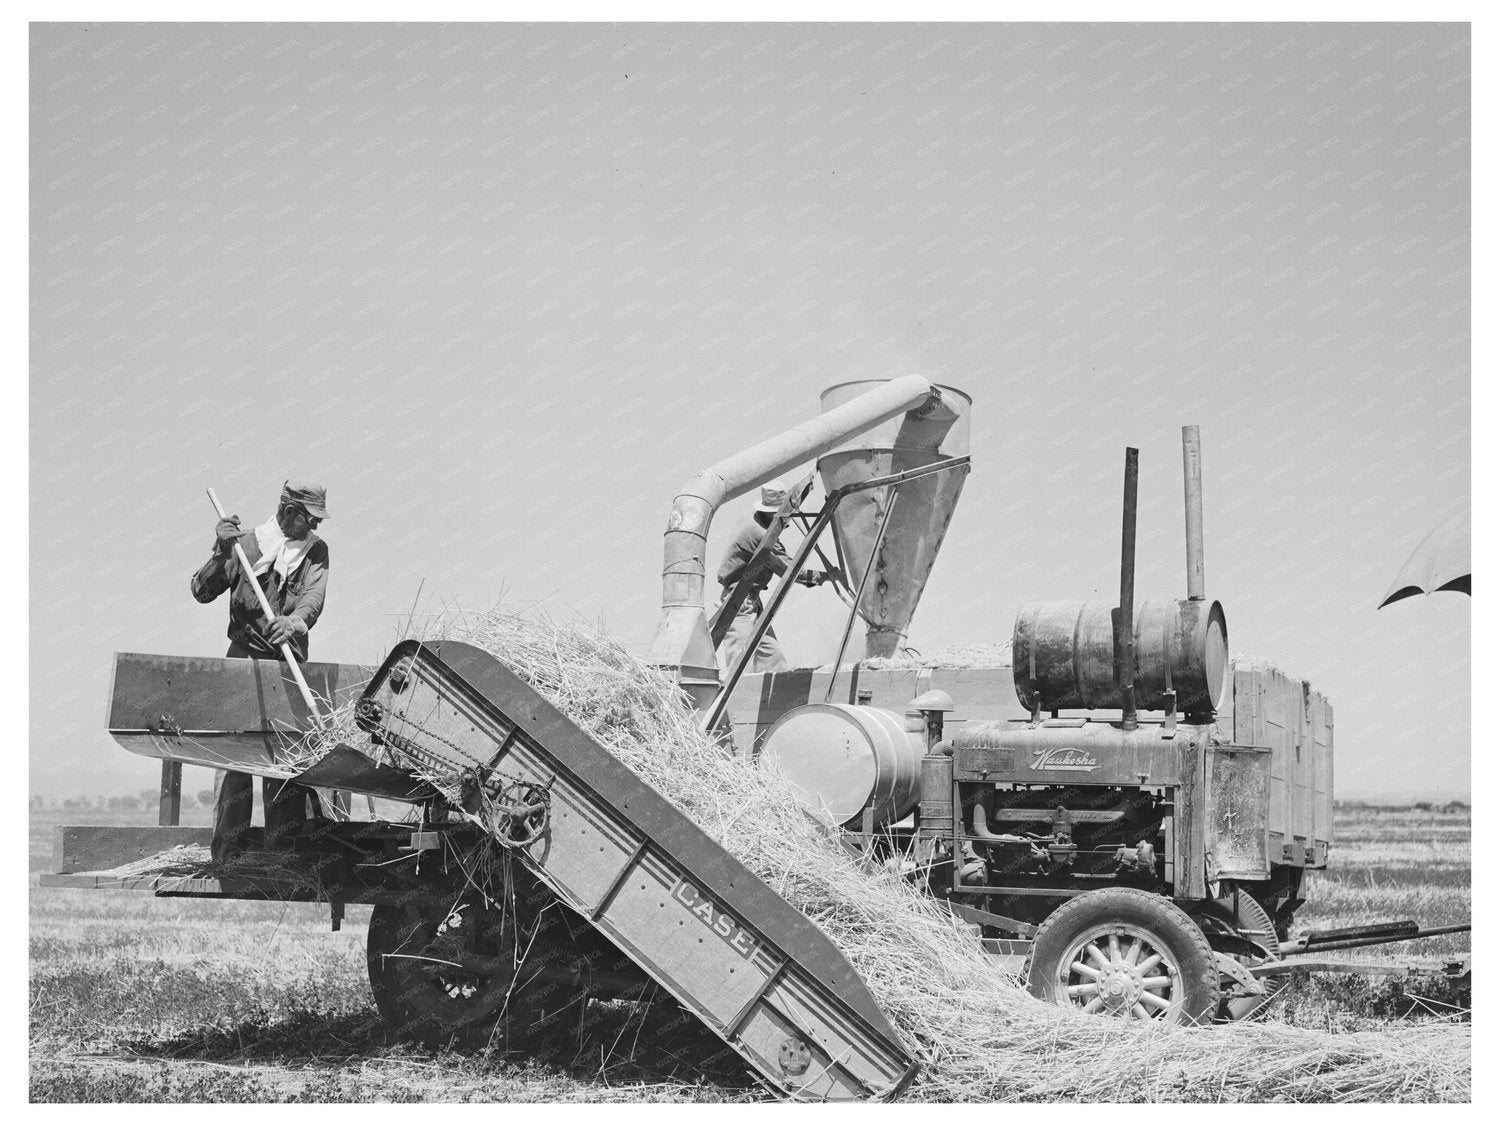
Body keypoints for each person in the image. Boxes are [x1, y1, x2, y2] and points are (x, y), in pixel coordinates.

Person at [191, 480, 331, 861]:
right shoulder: (245, 545)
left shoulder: (316, 552)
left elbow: (313, 599)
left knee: (285, 760)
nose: (315, 526)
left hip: (287, 664)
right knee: (236, 759)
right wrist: (221, 552)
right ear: (288, 511)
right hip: (244, 661)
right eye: (310, 518)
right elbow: (201, 591)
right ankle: (228, 854)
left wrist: (296, 622)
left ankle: (282, 855)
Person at [715, 479, 836, 675]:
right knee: (739, 667)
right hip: (738, 603)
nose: (788, 520)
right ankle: (734, 701)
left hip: (750, 600)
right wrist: (826, 576)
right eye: (784, 514)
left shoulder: (751, 517)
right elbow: (791, 571)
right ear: (773, 513)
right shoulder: (763, 537)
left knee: (773, 659)